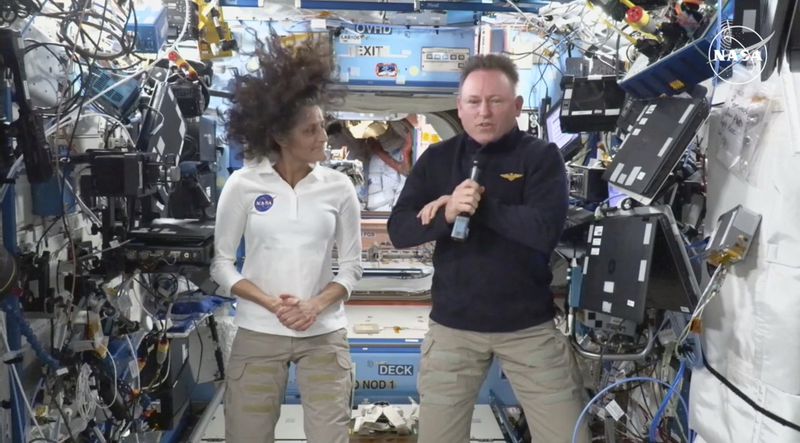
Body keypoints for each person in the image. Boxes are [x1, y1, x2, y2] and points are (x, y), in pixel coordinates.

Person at [387, 54, 589, 443]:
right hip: (453, 330)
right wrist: (446, 213)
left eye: (495, 101)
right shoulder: (437, 160)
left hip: (528, 328)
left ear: (516, 107)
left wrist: (480, 205)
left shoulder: (541, 158)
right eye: (474, 102)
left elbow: (543, 231)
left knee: (570, 436)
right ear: (459, 109)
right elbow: (400, 230)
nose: (484, 112)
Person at [210, 32, 362, 443]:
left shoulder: (338, 188)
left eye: (323, 127)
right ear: (280, 137)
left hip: (325, 334)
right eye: (311, 130)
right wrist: (271, 304)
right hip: (259, 331)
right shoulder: (242, 185)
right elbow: (222, 264)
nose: (323, 137)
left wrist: (314, 305)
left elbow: (351, 268)